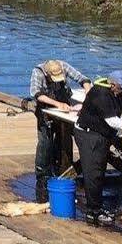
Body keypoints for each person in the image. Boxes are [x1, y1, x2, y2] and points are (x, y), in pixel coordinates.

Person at [72, 72, 122, 224]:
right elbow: (112, 121)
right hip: (89, 136)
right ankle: (93, 211)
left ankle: (97, 206)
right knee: (93, 173)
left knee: (99, 171)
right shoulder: (101, 95)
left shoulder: (114, 92)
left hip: (102, 135)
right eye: (121, 88)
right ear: (114, 85)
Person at [28, 59, 82, 202]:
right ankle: (42, 175)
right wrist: (57, 104)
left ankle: (63, 169)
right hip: (45, 109)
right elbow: (36, 93)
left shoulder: (63, 65)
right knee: (45, 142)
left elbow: (83, 79)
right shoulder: (38, 72)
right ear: (47, 73)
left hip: (64, 107)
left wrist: (88, 92)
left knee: (63, 139)